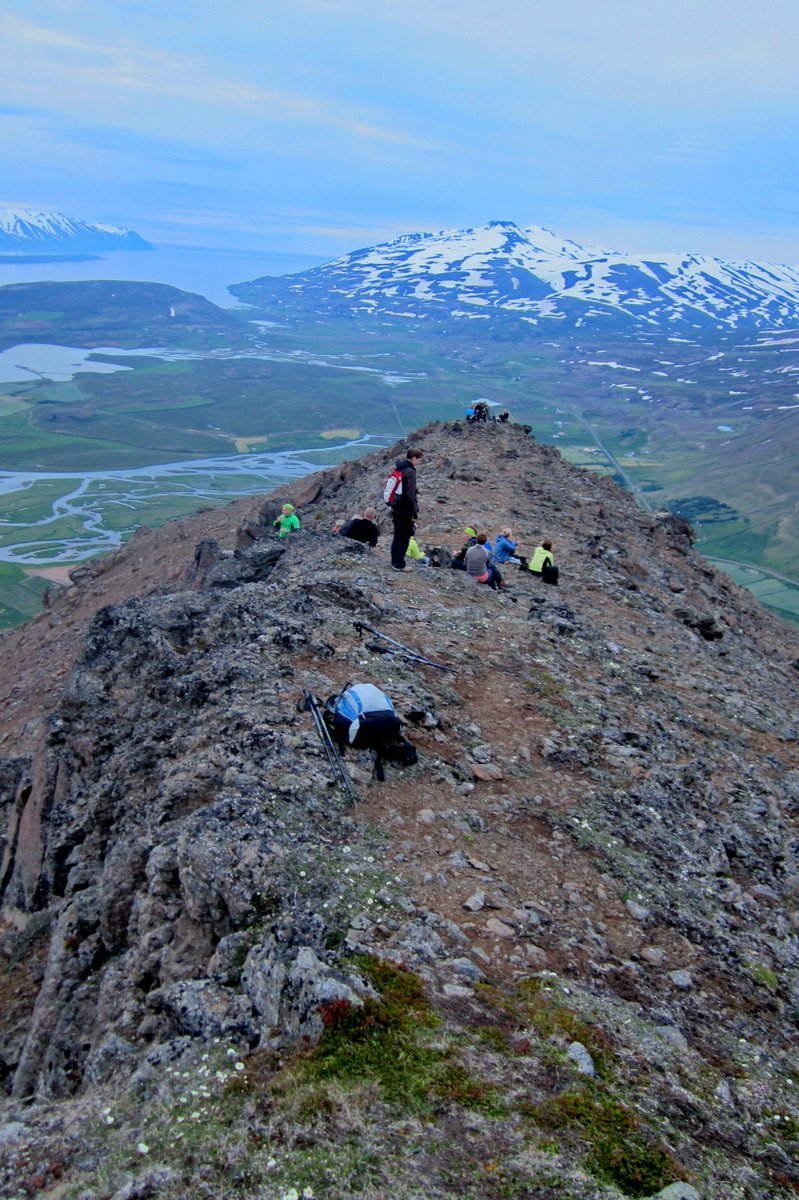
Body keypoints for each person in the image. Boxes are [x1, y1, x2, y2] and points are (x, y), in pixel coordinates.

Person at [390, 447, 423, 570]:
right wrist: (414, 512)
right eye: (419, 459)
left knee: (397, 535)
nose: (420, 462)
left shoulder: (399, 468)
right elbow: (410, 494)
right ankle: (399, 564)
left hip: (396, 508)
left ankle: (394, 561)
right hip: (406, 510)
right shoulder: (410, 471)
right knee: (405, 536)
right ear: (414, 458)